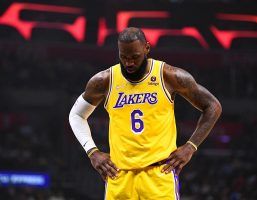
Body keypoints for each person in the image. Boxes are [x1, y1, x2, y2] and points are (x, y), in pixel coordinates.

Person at [69, 27, 222, 199]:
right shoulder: (104, 80)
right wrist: (92, 152)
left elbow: (213, 106)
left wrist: (190, 147)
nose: (129, 63)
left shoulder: (168, 75)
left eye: (135, 57)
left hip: (158, 174)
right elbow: (76, 115)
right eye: (124, 57)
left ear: (146, 48)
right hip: (119, 175)